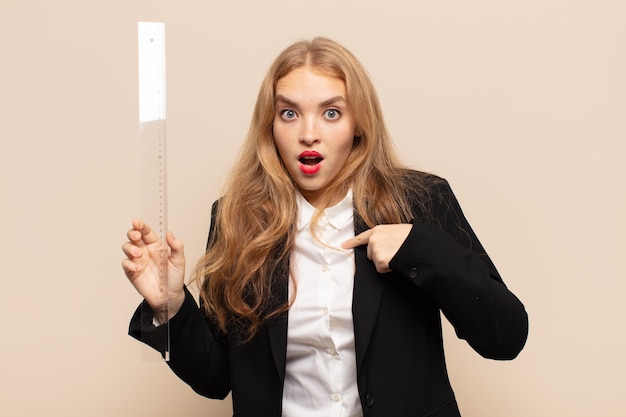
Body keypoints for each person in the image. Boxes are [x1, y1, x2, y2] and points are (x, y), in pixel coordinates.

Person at [122, 37, 528, 417]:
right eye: (289, 113)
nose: (308, 134)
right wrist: (170, 306)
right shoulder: (238, 219)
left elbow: (505, 337)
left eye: (331, 113)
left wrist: (419, 247)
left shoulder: (420, 201)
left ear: (359, 125)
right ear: (270, 127)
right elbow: (216, 380)